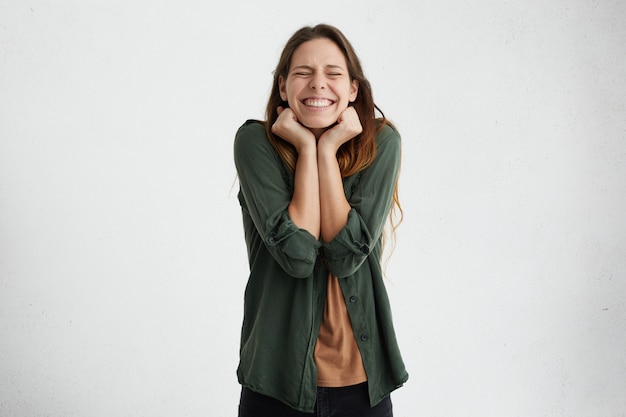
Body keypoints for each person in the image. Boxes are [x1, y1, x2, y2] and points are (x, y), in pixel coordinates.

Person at [233, 24, 408, 417]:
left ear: (352, 90)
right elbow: (297, 255)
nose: (318, 84)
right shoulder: (254, 143)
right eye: (303, 73)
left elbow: (347, 257)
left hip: (362, 386)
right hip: (275, 384)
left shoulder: (382, 145)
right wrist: (304, 147)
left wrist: (325, 148)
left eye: (333, 73)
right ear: (283, 87)